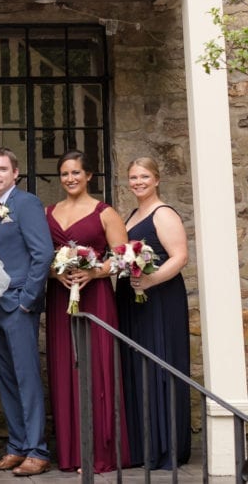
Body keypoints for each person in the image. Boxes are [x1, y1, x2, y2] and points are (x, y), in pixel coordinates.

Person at [44, 150, 130, 472]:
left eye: (76, 173)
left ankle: (99, 453)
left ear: (89, 175)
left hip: (96, 300)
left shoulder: (105, 212)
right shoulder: (48, 212)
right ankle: (71, 452)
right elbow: (41, 257)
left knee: (96, 368)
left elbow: (123, 258)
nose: (70, 179)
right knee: (66, 369)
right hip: (60, 299)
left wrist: (94, 272)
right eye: (65, 173)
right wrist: (56, 272)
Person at [0, 147, 54, 476]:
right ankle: (16, 446)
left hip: (18, 304)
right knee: (6, 379)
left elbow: (43, 253)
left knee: (26, 378)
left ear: (16, 173)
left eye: (2, 169)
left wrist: (27, 299)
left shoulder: (26, 203)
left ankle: (38, 450)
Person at [117, 157, 191, 470]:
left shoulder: (165, 213)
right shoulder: (133, 214)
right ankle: (142, 444)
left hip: (159, 298)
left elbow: (180, 257)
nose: (138, 182)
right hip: (134, 300)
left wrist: (149, 280)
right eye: (133, 177)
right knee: (137, 366)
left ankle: (166, 446)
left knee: (160, 365)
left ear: (157, 179)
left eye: (144, 176)